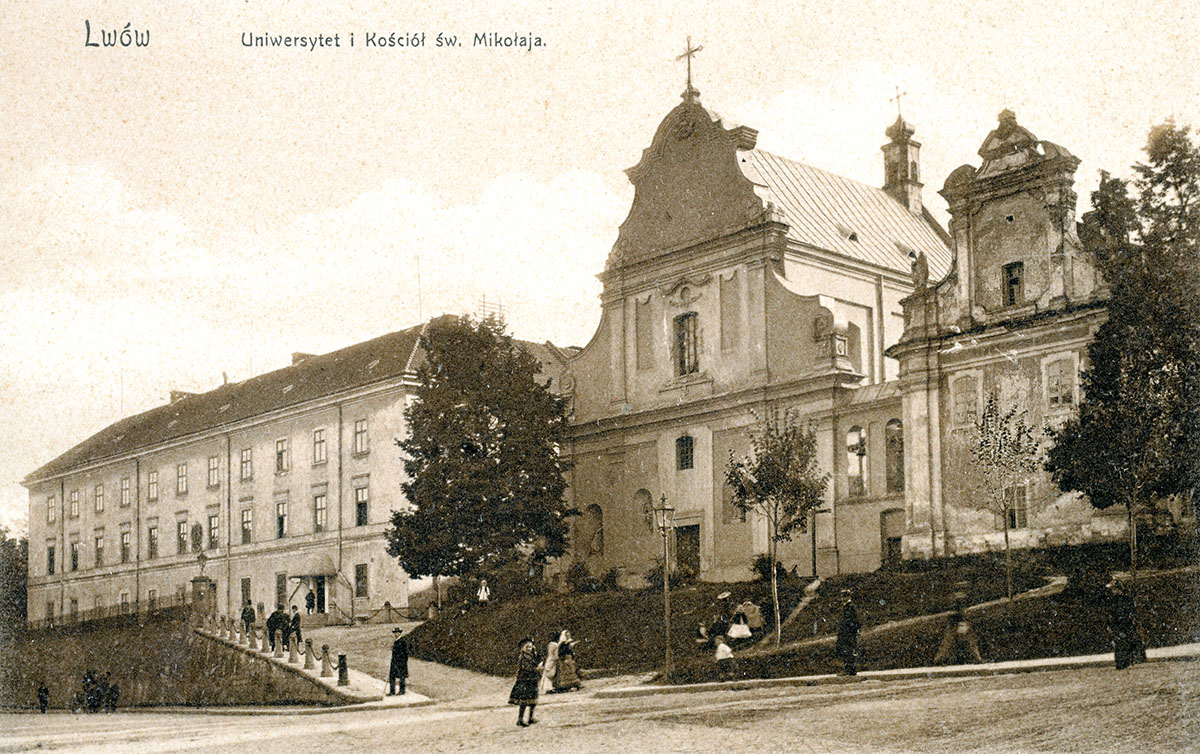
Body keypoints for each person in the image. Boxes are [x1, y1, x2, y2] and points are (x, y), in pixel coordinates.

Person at [1106, 576, 1146, 670]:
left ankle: (1128, 661)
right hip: (1120, 625)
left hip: (1123, 624)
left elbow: (1130, 612)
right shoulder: (1116, 600)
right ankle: (1124, 662)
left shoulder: (1120, 601)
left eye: (1113, 589)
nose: (1111, 591)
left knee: (1125, 643)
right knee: (1122, 643)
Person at [509, 637, 542, 727]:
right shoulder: (523, 657)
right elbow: (527, 668)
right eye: (527, 647)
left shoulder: (533, 655)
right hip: (524, 681)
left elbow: (539, 659)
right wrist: (536, 669)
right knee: (524, 701)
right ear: (522, 648)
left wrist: (535, 653)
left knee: (533, 701)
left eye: (530, 647)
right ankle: (520, 720)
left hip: (532, 680)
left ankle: (530, 717)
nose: (529, 649)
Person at [836, 589, 861, 676]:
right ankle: (850, 669)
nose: (842, 598)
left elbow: (854, 620)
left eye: (844, 596)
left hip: (848, 632)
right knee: (847, 650)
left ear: (848, 597)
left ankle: (849, 669)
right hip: (846, 632)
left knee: (848, 650)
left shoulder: (850, 607)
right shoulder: (847, 607)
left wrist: (852, 630)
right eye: (842, 596)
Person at [388, 627, 409, 695]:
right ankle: (392, 691)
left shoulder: (403, 641)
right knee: (392, 676)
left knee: (401, 677)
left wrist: (403, 662)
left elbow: (406, 653)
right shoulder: (395, 641)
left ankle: (402, 691)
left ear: (400, 633)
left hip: (401, 663)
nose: (396, 634)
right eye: (395, 633)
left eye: (397, 633)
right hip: (394, 662)